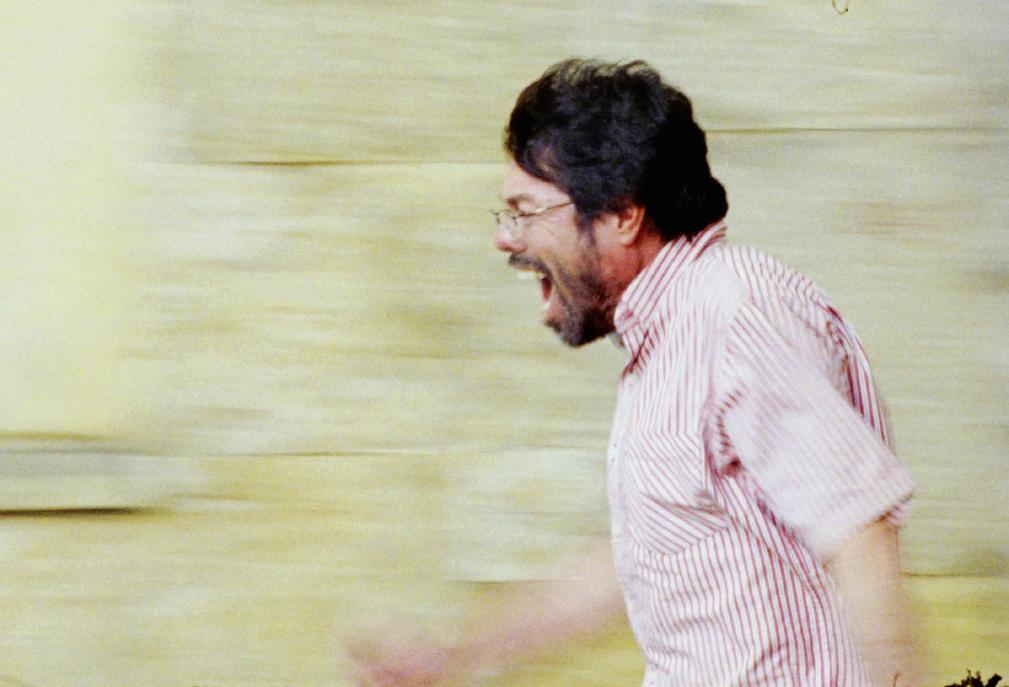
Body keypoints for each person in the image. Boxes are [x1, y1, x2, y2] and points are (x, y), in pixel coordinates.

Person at [350, 58, 917, 687]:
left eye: (525, 212)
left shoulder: (737, 314)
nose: (505, 240)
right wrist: (455, 656)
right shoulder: (672, 339)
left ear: (623, 213)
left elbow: (860, 535)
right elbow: (638, 561)